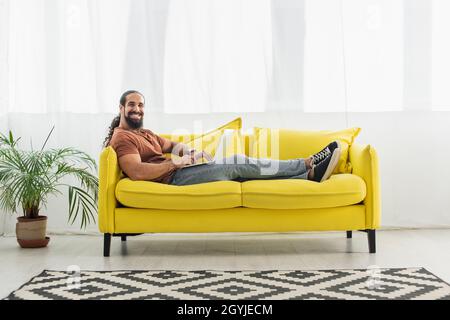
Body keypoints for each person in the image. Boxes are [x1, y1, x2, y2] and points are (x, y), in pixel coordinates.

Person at [103, 90, 341, 186]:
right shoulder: (123, 138)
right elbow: (137, 172)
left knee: (241, 171)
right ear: (121, 108)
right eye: (132, 105)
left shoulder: (144, 133)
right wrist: (175, 163)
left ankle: (307, 175)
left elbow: (172, 145)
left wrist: (188, 153)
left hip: (180, 170)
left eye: (141, 105)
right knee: (236, 162)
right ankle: (307, 163)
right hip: (173, 179)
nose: (137, 109)